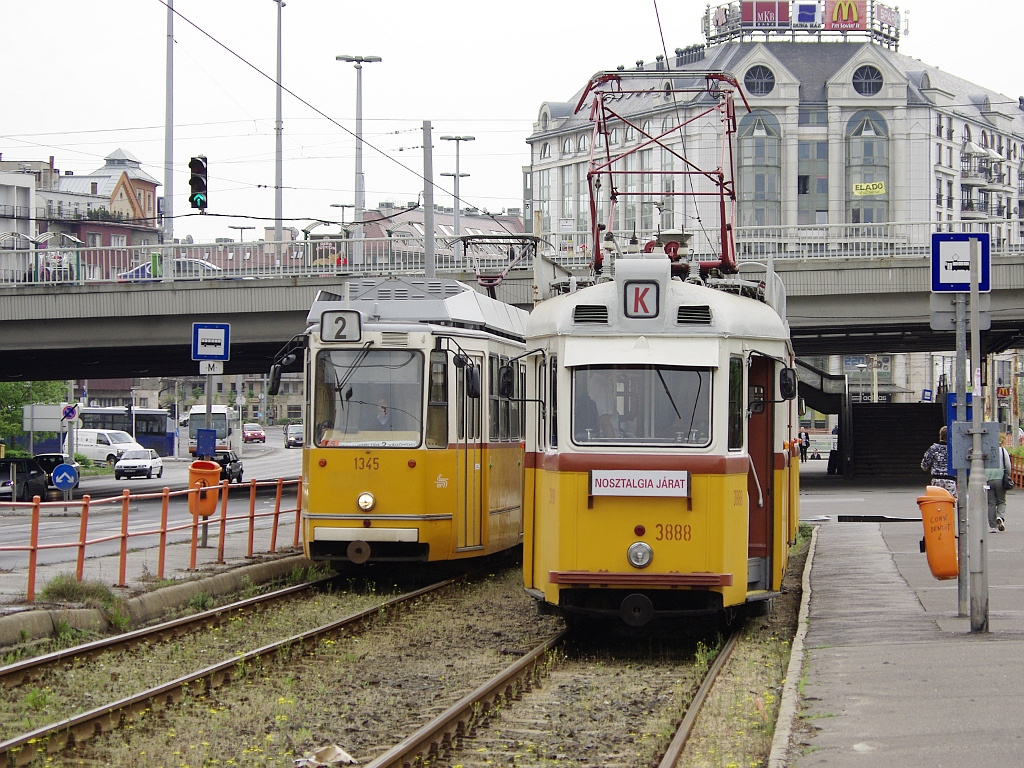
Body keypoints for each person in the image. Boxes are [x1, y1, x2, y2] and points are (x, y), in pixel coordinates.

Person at [921, 426, 957, 498]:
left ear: (940, 436)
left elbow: (924, 465)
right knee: (949, 503)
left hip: (936, 481)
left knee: (937, 503)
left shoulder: (933, 448)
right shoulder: (955, 449)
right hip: (951, 480)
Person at [985, 444, 1010, 532]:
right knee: (1001, 501)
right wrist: (1007, 475)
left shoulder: (984, 450)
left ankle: (993, 527)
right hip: (1000, 478)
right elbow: (1007, 465)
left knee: (991, 503)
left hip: (988, 479)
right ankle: (1000, 517)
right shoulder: (1002, 451)